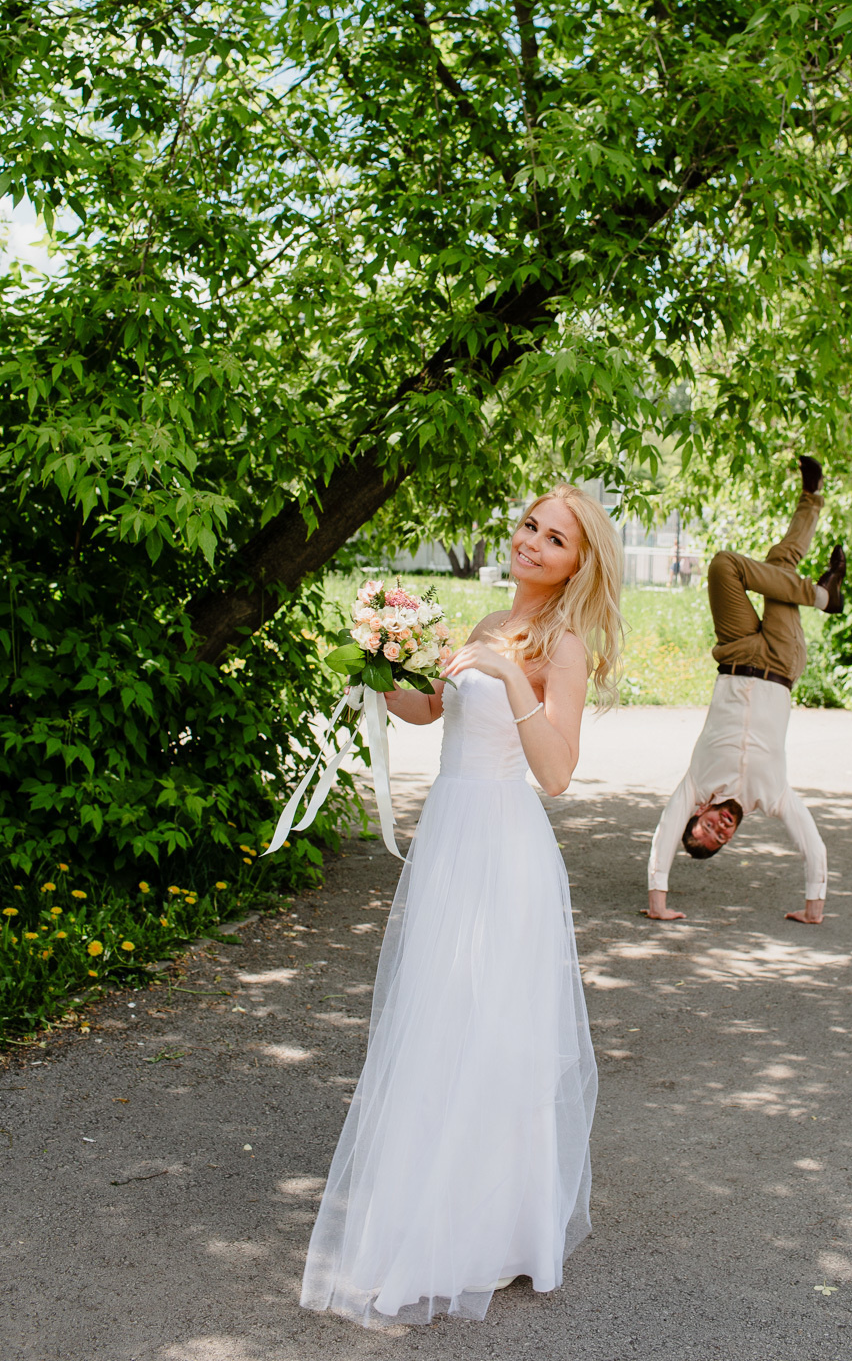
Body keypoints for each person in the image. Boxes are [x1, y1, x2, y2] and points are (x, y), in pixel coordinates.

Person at [301, 484, 623, 1328]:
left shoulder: (563, 647)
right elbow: (430, 710)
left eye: (554, 539)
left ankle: (500, 1231)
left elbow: (556, 772)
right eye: (529, 525)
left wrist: (511, 677)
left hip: (504, 845)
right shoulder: (487, 622)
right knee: (440, 1020)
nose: (532, 542)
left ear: (577, 563)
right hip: (449, 836)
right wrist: (381, 662)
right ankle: (435, 1210)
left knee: (495, 1030)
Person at [641, 456, 846, 926]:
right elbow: (811, 843)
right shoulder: (771, 795)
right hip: (779, 661)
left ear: (698, 812)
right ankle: (818, 561)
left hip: (736, 652)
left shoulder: (696, 784)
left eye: (707, 828)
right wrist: (814, 907)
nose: (721, 828)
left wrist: (657, 902)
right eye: (722, 838)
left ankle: (821, 591)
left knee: (725, 565)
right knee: (780, 565)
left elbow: (664, 832)